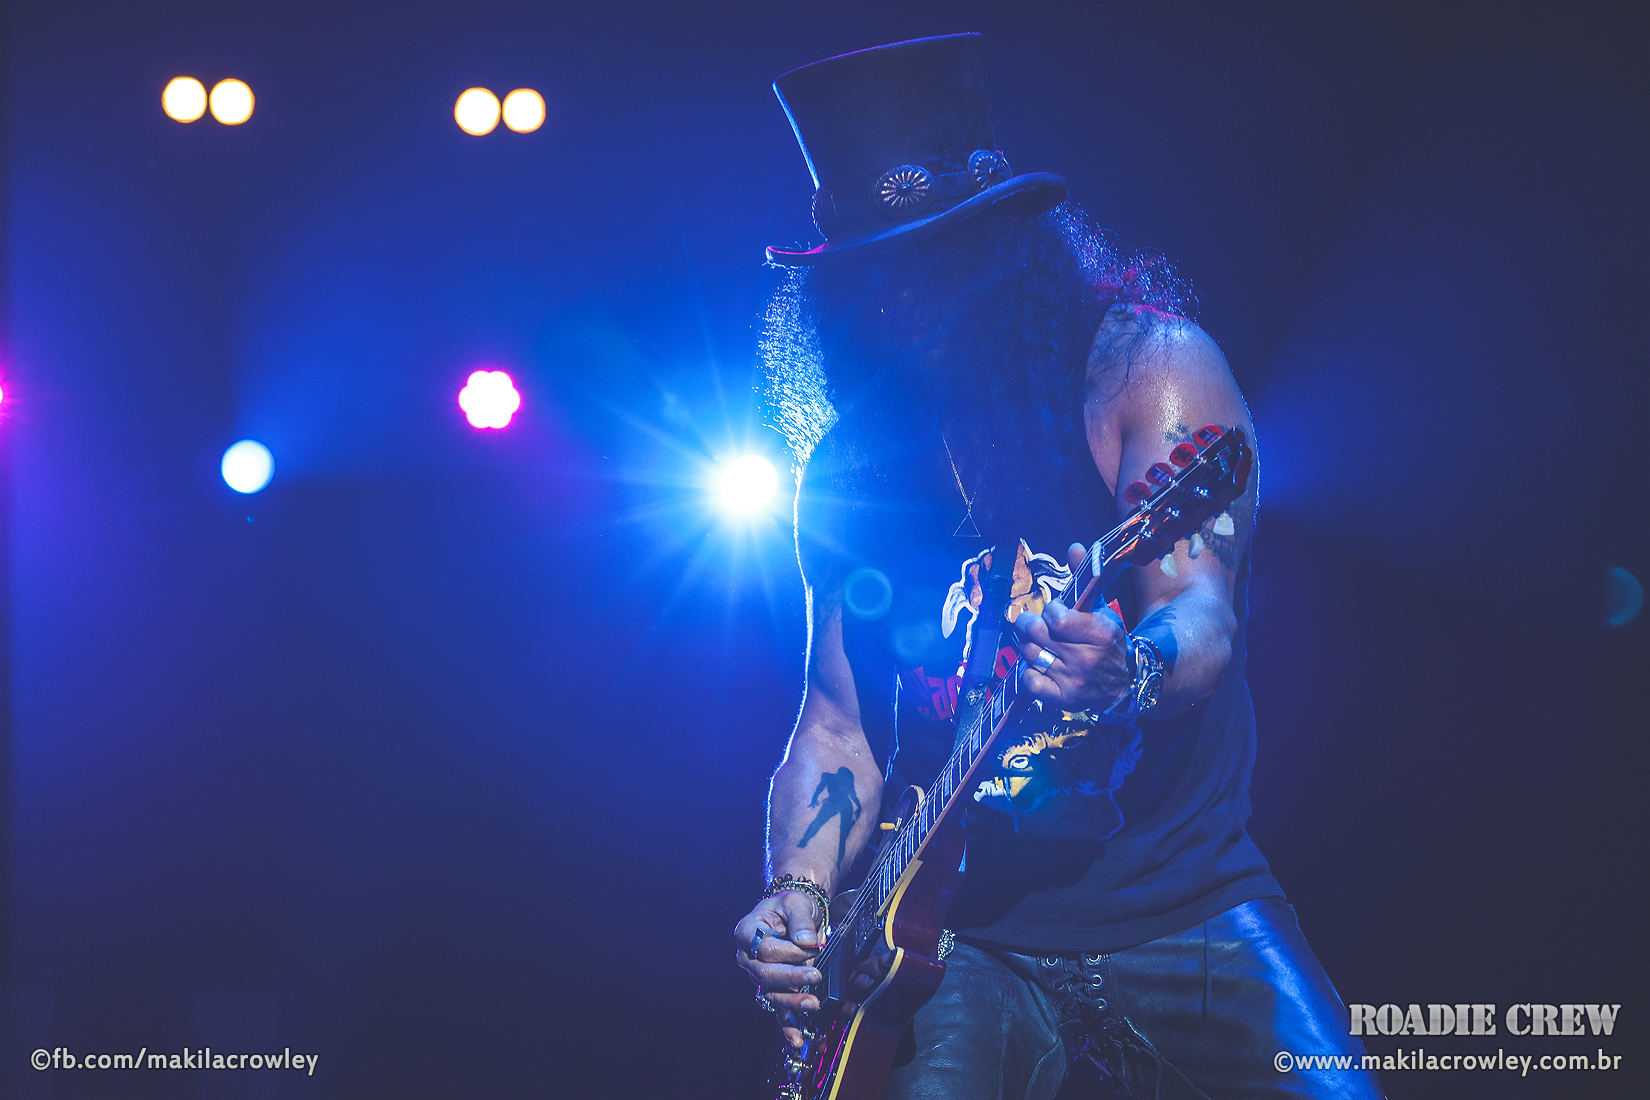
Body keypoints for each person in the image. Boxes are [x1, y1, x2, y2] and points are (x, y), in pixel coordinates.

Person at [733, 34, 1382, 1100]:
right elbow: (837, 723)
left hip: (1183, 901)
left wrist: (1124, 672)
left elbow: (1202, 612)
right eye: (865, 273)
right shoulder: (847, 465)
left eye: (926, 258)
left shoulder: (1143, 372)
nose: (894, 296)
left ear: (1002, 246)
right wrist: (797, 891)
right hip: (957, 933)